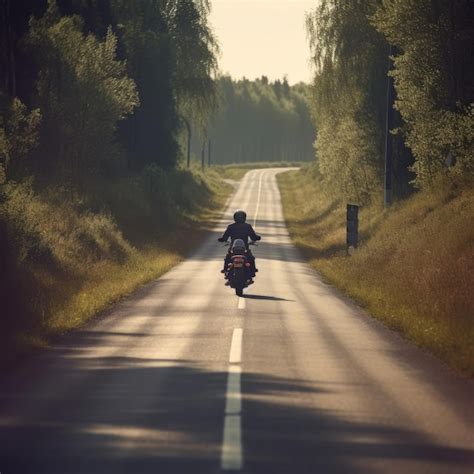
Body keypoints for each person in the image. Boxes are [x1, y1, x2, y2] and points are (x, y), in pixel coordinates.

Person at [218, 209, 261, 280]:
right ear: (244, 218)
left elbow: (225, 237)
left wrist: (222, 239)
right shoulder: (247, 226)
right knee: (251, 258)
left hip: (233, 248)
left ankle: (225, 270)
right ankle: (253, 270)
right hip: (244, 249)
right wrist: (257, 238)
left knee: (227, 258)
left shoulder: (231, 226)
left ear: (234, 218)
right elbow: (253, 237)